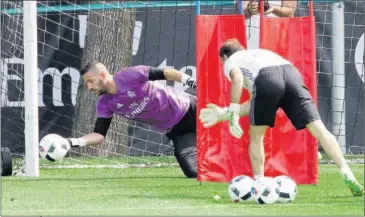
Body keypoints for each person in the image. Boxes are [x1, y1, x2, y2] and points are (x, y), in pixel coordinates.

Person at [199, 39, 364, 196]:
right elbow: (254, 103)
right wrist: (225, 113)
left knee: (256, 136)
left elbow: (238, 79)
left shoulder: (231, 61)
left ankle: (259, 184)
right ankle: (345, 170)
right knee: (320, 129)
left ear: (224, 57)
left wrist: (233, 110)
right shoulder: (257, 54)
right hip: (291, 73)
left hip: (267, 77)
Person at [66, 61, 197, 178]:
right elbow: (99, 136)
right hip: (178, 130)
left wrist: (192, 82)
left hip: (192, 108)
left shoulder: (128, 75)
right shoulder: (104, 103)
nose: (89, 88)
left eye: (90, 81)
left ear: (102, 75)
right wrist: (71, 142)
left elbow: (166, 72)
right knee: (194, 172)